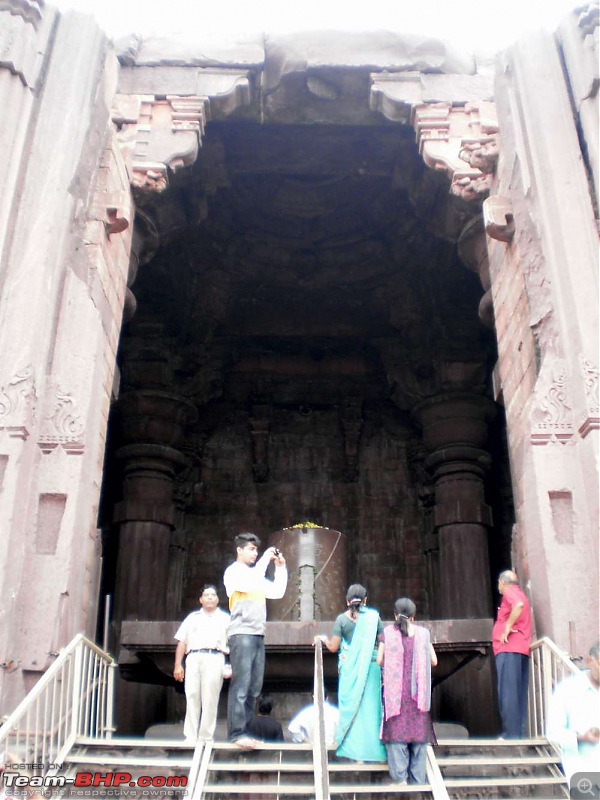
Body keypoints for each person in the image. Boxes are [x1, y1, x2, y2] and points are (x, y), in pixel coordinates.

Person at [224, 532, 288, 748]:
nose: (255, 553)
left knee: (254, 687)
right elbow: (247, 583)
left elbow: (278, 592)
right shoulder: (233, 573)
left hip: (258, 634)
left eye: (256, 550)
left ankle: (247, 730)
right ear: (239, 550)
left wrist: (280, 568)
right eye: (251, 549)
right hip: (241, 633)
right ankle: (236, 732)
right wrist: (264, 561)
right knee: (241, 685)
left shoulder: (257, 576)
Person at [319, 584, 386, 762]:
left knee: (351, 707)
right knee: (371, 708)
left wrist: (323, 639)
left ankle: (353, 751)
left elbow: (333, 647)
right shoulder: (373, 618)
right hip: (371, 667)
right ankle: (374, 750)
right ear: (365, 600)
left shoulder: (341, 620)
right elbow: (382, 642)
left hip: (349, 669)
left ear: (347, 601)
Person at [377, 597, 437, 786]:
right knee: (419, 737)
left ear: (395, 615)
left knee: (397, 735)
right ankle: (417, 780)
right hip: (418, 695)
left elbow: (379, 660)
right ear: (414, 616)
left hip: (397, 695)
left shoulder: (388, 633)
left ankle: (399, 778)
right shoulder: (423, 634)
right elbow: (434, 661)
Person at [173, 584, 230, 743]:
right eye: (206, 595)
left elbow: (233, 643)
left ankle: (206, 736)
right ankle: (190, 736)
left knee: (210, 698)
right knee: (192, 695)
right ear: (200, 599)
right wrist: (178, 664)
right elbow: (182, 642)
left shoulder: (226, 619)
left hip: (215, 656)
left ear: (218, 599)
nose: (210, 597)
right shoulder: (192, 618)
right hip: (194, 656)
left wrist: (230, 664)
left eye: (213, 594)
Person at [546, 641, 600, 784]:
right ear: (590, 661)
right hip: (584, 771)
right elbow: (553, 732)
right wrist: (582, 737)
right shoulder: (567, 689)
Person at [492, 569, 532, 738]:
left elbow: (518, 606)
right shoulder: (521, 593)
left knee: (508, 694)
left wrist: (507, 626)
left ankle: (510, 735)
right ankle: (516, 734)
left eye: (499, 584)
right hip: (520, 649)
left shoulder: (510, 593)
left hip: (509, 649)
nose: (499, 587)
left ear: (503, 582)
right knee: (516, 694)